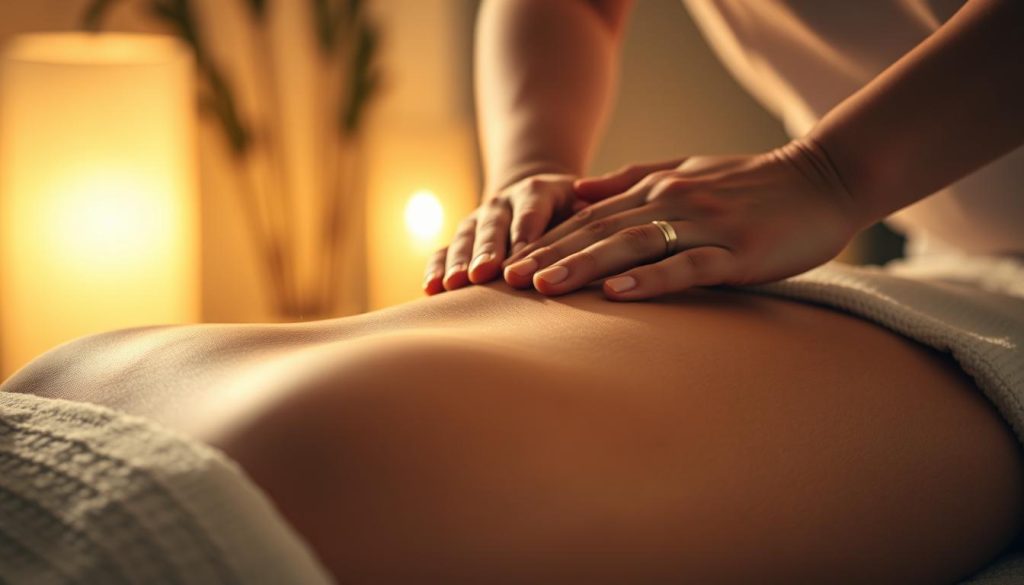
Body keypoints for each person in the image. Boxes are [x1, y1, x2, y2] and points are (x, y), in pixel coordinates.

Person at [2, 0, 1023, 583]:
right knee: (81, 383)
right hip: (941, 259)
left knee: (337, 461)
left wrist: (827, 174)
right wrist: (527, 178)